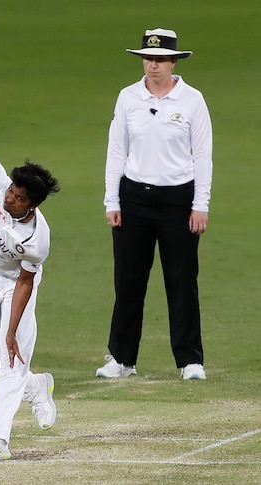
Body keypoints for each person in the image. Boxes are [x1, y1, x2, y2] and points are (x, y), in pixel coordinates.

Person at [0, 55, 61, 462]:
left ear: (32, 204)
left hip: (14, 285)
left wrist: (13, 329)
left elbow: (25, 281)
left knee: (11, 359)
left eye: (18, 198)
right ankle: (37, 386)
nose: (9, 198)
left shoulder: (36, 239)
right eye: (11, 192)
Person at [97, 28, 212, 380]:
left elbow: (202, 156)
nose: (153, 65)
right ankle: (121, 359)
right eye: (148, 58)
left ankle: (190, 361)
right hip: (134, 198)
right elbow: (116, 151)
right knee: (128, 281)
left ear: (174, 62)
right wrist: (112, 200)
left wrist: (200, 204)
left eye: (161, 59)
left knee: (182, 280)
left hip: (179, 200)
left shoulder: (192, 100)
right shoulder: (127, 97)